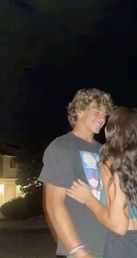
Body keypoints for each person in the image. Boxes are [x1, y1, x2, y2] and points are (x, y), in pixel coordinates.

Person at [67, 106, 137, 258]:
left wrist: (88, 199)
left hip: (124, 246)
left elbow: (118, 226)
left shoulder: (110, 165)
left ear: (113, 131)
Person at [38, 88, 114, 258]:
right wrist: (76, 249)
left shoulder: (104, 151)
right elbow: (53, 203)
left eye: (104, 114)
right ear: (79, 111)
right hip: (84, 248)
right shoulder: (61, 147)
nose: (102, 119)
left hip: (112, 243)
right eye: (96, 110)